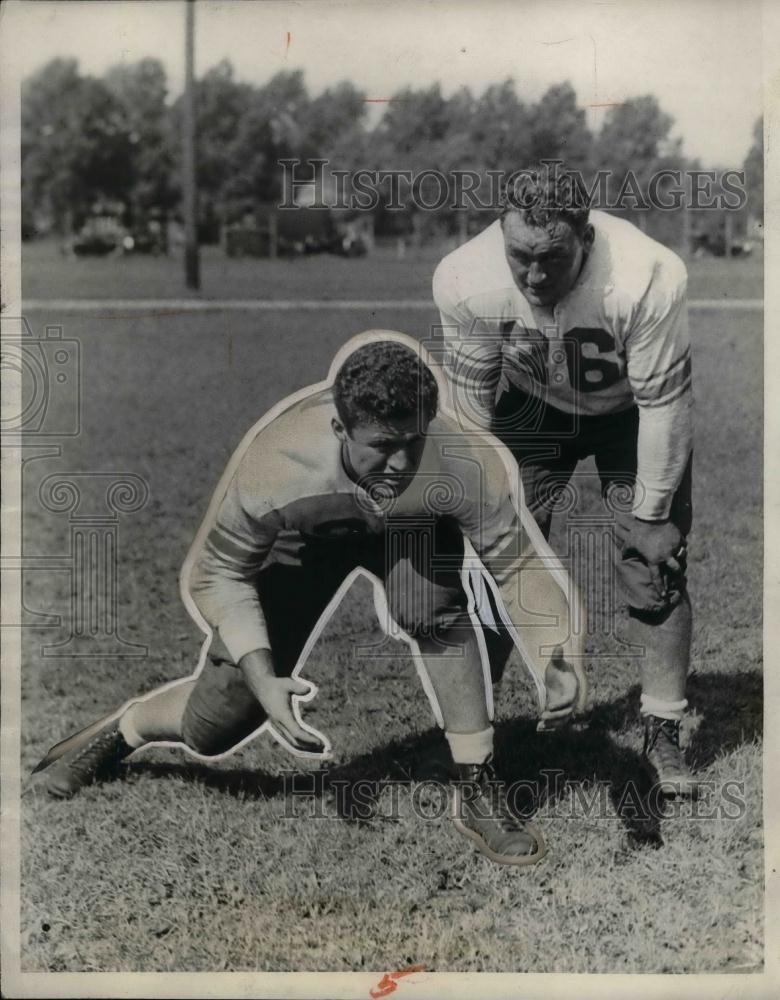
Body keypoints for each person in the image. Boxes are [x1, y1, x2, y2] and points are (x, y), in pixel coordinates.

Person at [35, 334, 585, 868]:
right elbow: (220, 572)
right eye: (382, 446)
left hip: (411, 528)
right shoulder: (281, 461)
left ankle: (476, 781)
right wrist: (261, 674)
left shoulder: (457, 461)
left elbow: (518, 567)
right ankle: (126, 727)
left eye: (412, 442)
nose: (399, 464)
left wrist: (553, 652)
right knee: (217, 724)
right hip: (308, 538)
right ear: (339, 427)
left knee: (430, 608)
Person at [433, 164, 696, 796]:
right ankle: (480, 739)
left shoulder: (646, 276)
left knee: (650, 563)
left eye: (551, 258)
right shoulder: (465, 277)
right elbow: (470, 404)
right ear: (501, 232)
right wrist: (478, 507)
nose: (532, 275)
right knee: (491, 566)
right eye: (520, 256)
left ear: (587, 236)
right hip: (531, 412)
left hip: (629, 413)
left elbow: (665, 406)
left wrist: (653, 514)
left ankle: (663, 725)